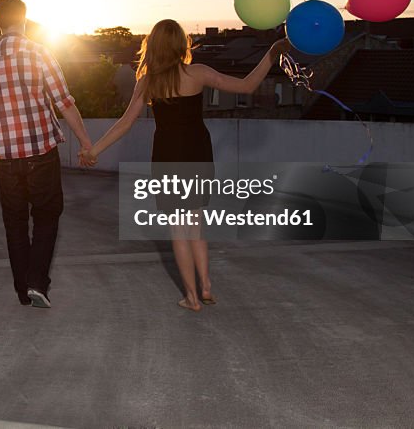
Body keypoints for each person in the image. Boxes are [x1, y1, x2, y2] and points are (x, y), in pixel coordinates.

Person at [84, 19, 289, 312]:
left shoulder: (149, 82)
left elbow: (125, 124)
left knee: (179, 230)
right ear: (182, 43)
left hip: (168, 156)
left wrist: (94, 150)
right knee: (196, 224)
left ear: (152, 46)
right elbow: (247, 85)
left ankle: (191, 297)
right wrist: (272, 52)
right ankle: (206, 286)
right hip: (198, 153)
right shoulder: (198, 72)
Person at [0, 0, 94, 308]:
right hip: (40, 152)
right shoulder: (39, 53)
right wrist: (85, 141)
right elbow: (64, 102)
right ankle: (37, 283)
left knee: (14, 222)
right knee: (46, 215)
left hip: (5, 158)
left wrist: (3, 143)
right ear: (24, 18)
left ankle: (22, 289)